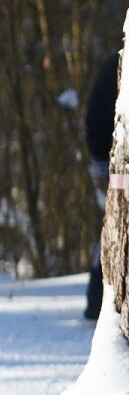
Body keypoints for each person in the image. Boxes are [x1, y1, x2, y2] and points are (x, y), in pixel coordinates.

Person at [82, 52, 118, 321]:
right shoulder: (117, 66)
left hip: (109, 156)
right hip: (108, 160)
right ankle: (97, 300)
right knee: (111, 226)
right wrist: (103, 163)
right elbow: (97, 121)